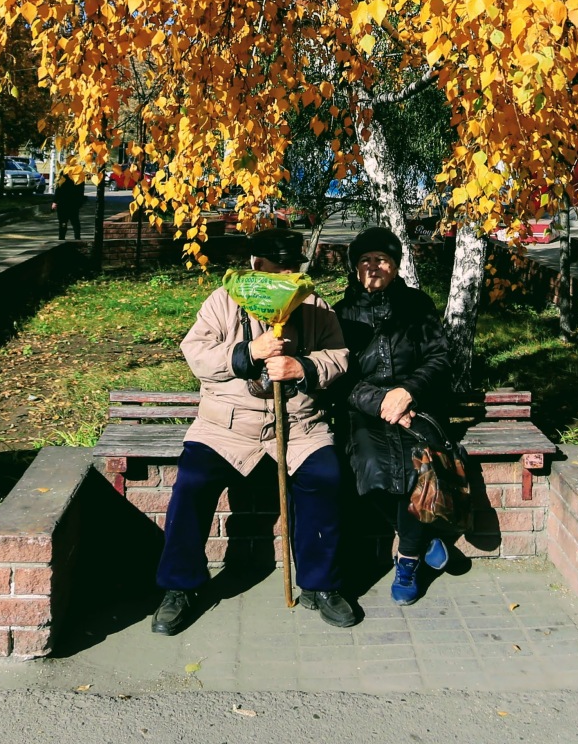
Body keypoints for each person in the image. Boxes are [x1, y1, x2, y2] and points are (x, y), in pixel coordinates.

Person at [151, 230, 359, 634]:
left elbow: (339, 356)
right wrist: (249, 352)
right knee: (191, 481)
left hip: (298, 425)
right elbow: (196, 354)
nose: (285, 277)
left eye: (291, 269)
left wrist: (304, 367)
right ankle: (181, 586)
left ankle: (321, 585)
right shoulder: (222, 301)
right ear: (255, 265)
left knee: (325, 476)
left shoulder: (314, 305)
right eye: (276, 269)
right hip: (226, 427)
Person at [336, 226, 455, 605]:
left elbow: (440, 358)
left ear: (396, 266)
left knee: (421, 469)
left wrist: (407, 393)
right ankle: (424, 535)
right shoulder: (340, 313)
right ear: (355, 268)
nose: (374, 266)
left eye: (382, 259)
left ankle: (408, 561)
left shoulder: (417, 305)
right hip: (365, 411)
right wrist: (381, 403)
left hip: (417, 407)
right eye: (365, 260)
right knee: (370, 470)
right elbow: (339, 376)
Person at [53, 173, 85, 240]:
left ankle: (63, 237)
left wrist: (55, 201)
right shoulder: (78, 176)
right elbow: (81, 192)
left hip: (66, 203)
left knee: (66, 222)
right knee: (73, 222)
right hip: (70, 203)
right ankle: (76, 238)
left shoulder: (64, 176)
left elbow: (58, 190)